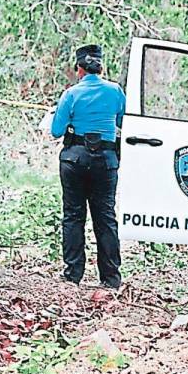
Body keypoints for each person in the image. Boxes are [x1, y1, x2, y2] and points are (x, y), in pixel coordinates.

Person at [50, 45, 126, 289]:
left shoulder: (71, 94)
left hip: (74, 160)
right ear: (101, 67)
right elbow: (122, 122)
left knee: (73, 216)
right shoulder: (115, 92)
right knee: (105, 218)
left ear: (79, 69)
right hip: (105, 161)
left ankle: (73, 275)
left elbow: (56, 131)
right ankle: (111, 278)